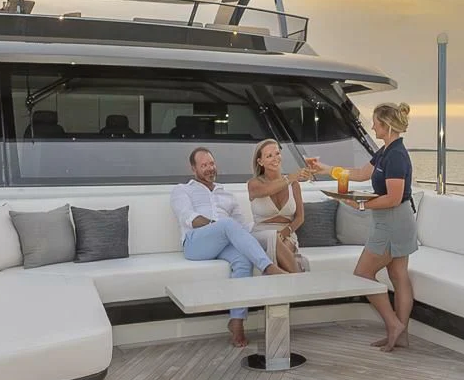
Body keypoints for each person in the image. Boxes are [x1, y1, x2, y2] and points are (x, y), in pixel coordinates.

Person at [307, 102, 416, 351]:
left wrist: (363, 206)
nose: (373, 127)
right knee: (398, 276)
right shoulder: (385, 151)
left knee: (363, 274)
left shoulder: (397, 155)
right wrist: (324, 169)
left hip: (394, 222)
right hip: (392, 220)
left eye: (376, 122)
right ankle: (401, 335)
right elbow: (358, 173)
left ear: (386, 125)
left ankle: (394, 325)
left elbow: (394, 197)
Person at [171, 147, 286, 348]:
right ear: (193, 169)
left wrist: (270, 227)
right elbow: (188, 217)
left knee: (243, 260)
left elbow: (242, 227)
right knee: (226, 224)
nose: (209, 168)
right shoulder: (182, 190)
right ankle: (268, 268)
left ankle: (237, 322)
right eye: (204, 165)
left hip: (222, 241)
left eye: (212, 164)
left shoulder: (227, 195)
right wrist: (219, 227)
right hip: (195, 243)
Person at [247, 139, 312, 273]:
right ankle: (300, 282)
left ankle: (283, 282)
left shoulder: (294, 184)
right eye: (269, 156)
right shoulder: (254, 184)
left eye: (277, 153)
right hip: (261, 233)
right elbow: (268, 190)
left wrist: (285, 233)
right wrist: (291, 177)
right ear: (260, 162)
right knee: (275, 239)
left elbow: (300, 217)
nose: (275, 158)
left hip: (287, 233)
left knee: (285, 246)